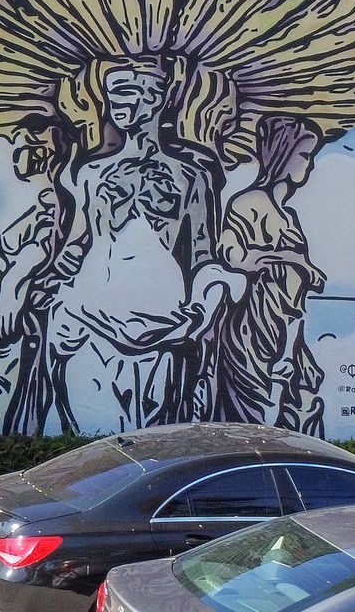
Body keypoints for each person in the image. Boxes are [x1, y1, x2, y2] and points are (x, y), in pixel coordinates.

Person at [47, 61, 236, 432]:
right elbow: (76, 244)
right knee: (93, 435)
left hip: (161, 325)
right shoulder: (91, 174)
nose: (114, 103)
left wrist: (203, 310)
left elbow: (203, 256)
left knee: (154, 437)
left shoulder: (191, 177)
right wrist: (54, 271)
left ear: (155, 99)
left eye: (126, 92)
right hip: (91, 318)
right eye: (111, 94)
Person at [209, 114, 328, 432]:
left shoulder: (289, 215)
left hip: (289, 323)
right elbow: (232, 255)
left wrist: (304, 269)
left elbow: (300, 270)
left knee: (296, 401)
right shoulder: (248, 203)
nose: (309, 164)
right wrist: (290, 258)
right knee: (256, 410)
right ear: (282, 154)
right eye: (305, 155)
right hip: (256, 324)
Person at [0, 114, 74, 436]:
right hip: (15, 320)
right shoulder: (42, 199)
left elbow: (42, 248)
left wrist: (12, 290)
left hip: (22, 323)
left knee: (7, 396)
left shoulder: (55, 201)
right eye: (16, 146)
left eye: (26, 146)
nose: (18, 155)